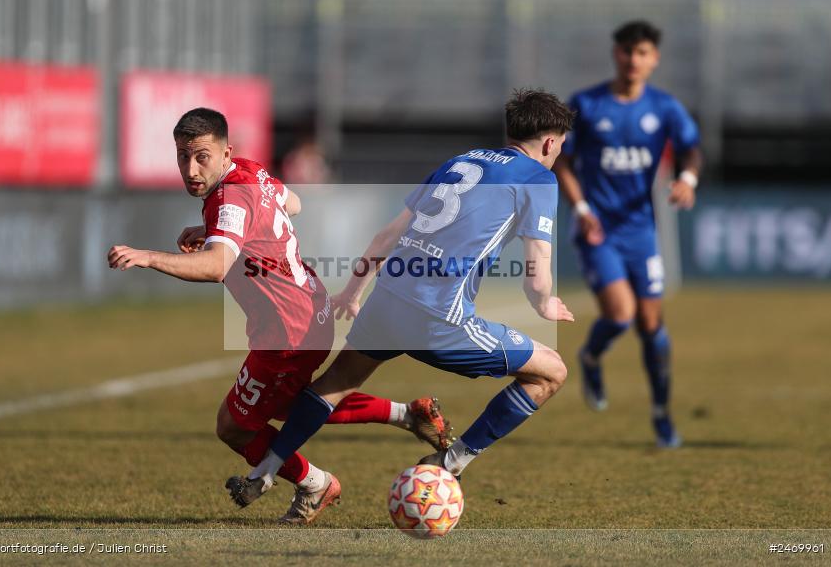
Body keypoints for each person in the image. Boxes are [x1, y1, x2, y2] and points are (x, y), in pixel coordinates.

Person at [227, 88, 576, 506]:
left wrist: (353, 291)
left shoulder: (460, 162)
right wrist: (544, 304)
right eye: (560, 148)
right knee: (551, 372)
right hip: (439, 318)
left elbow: (387, 235)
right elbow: (536, 271)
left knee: (333, 386)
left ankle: (262, 473)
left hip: (386, 299)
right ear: (551, 142)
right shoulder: (539, 177)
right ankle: (451, 463)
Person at [106, 108, 452, 524]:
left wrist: (147, 256)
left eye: (202, 156)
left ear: (224, 152)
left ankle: (315, 483)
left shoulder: (228, 197)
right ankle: (407, 414)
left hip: (285, 333)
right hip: (311, 309)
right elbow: (294, 202)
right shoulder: (249, 170)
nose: (191, 168)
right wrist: (220, 232)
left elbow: (216, 267)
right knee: (293, 404)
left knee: (234, 426)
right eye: (183, 156)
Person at [552, 20, 703, 447]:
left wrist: (688, 179)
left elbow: (692, 148)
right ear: (615, 54)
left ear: (654, 59)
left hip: (642, 232)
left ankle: (661, 415)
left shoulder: (665, 108)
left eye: (642, 53)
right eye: (626, 52)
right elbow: (562, 159)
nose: (633, 60)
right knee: (621, 314)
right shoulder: (587, 104)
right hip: (597, 229)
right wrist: (580, 206)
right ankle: (592, 356)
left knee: (652, 324)